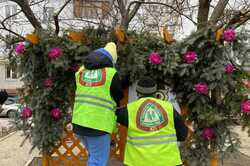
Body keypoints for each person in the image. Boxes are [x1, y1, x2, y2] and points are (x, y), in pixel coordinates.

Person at [116, 77, 188, 166]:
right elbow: (183, 135)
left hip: (136, 163)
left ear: (137, 93)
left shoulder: (128, 110)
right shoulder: (169, 108)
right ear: (155, 93)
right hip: (168, 162)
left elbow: (109, 116)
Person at [72, 42, 123, 166]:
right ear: (111, 59)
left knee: (94, 157)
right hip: (98, 125)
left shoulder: (81, 71)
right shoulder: (111, 73)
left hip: (79, 123)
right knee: (98, 162)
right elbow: (118, 95)